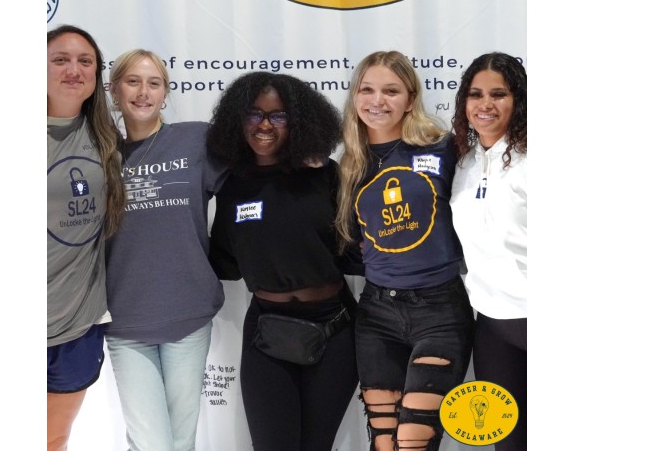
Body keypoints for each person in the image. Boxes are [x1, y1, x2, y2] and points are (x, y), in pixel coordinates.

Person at [207, 71, 359, 451]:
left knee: (316, 445)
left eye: (278, 116)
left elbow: (355, 249)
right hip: (267, 333)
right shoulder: (232, 186)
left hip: (334, 329)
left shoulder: (325, 174)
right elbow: (225, 263)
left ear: (298, 122)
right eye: (254, 114)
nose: (264, 125)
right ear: (236, 120)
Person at [334, 51, 475, 451]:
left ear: (410, 99)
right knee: (383, 439)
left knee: (415, 440)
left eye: (391, 91)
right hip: (377, 314)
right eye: (368, 89)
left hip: (440, 310)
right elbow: (346, 243)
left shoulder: (444, 148)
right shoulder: (349, 164)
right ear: (355, 96)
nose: (377, 101)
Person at [103, 49, 227, 451]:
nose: (143, 92)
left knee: (179, 439)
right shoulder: (99, 156)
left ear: (166, 93)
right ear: (114, 91)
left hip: (188, 313)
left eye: (154, 83)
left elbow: (253, 188)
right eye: (133, 82)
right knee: (151, 442)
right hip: (126, 321)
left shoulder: (197, 139)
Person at [47, 24, 126, 451]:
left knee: (54, 440)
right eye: (60, 59)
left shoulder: (104, 138)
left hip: (78, 324)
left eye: (85, 61)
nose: (73, 70)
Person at [450, 52, 527, 451]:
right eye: (476, 94)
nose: (486, 104)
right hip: (492, 325)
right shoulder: (463, 159)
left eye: (499, 94)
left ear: (519, 101)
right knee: (509, 444)